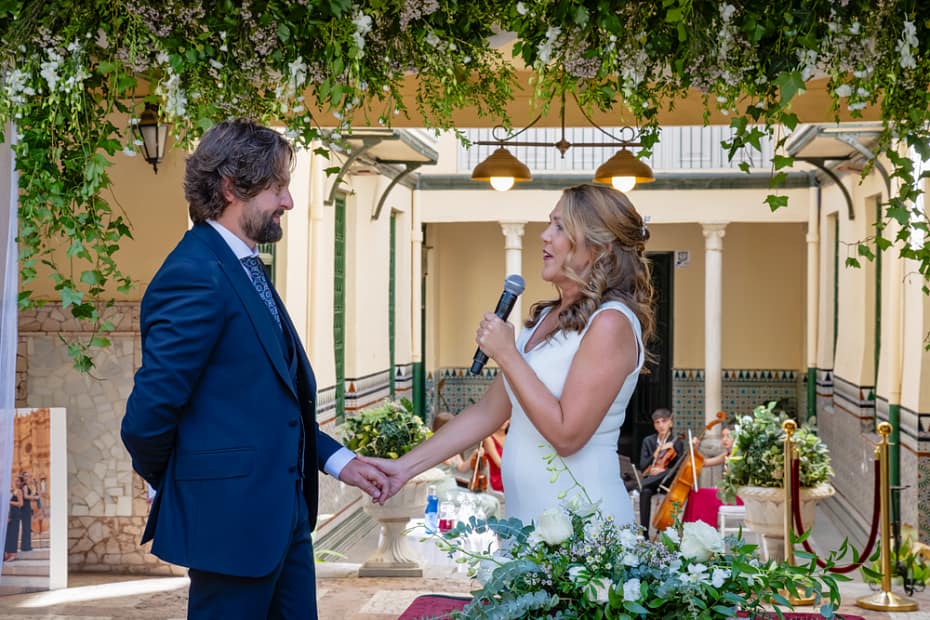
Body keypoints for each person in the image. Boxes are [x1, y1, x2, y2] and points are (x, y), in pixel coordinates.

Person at [121, 119, 388, 620]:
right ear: (231, 187)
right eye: (278, 187)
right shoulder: (194, 273)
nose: (287, 201)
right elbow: (146, 419)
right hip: (230, 527)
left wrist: (339, 461)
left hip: (283, 523)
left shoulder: (242, 265)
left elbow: (272, 401)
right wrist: (200, 483)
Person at [363, 183, 655, 527]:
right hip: (529, 522)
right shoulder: (546, 318)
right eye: (549, 223)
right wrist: (404, 469)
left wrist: (507, 354)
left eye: (560, 226)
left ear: (599, 247)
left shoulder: (611, 322)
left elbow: (568, 436)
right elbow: (487, 412)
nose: (545, 236)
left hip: (583, 526)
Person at [637, 408, 685, 532]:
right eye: (657, 422)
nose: (661, 425)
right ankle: (644, 533)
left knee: (645, 484)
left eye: (664, 421)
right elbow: (642, 466)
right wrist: (656, 453)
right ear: (654, 425)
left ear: (670, 423)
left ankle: (639, 485)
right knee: (645, 492)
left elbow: (678, 468)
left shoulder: (677, 443)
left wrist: (662, 472)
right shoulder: (648, 441)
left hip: (667, 479)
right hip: (652, 480)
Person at [4, 478, 23, 562]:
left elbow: (21, 503)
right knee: (9, 535)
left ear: (20, 483)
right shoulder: (13, 491)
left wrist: (9, 502)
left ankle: (13, 555)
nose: (16, 482)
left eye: (18, 480)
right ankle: (8, 554)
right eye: (15, 480)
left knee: (14, 534)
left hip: (15, 514)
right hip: (11, 514)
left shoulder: (19, 491)